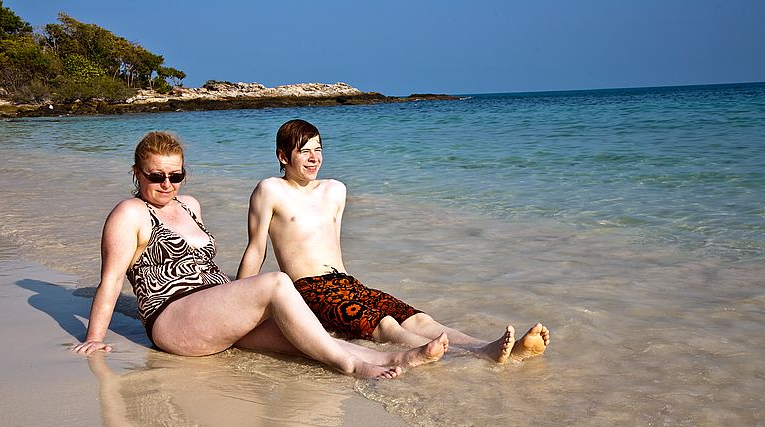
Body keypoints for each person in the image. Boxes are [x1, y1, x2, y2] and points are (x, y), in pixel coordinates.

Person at [72, 130, 449, 379]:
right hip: (173, 320)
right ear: (137, 173)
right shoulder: (130, 213)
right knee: (277, 283)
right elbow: (111, 279)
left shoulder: (189, 205)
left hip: (213, 312)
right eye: (156, 177)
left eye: (176, 175)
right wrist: (94, 337)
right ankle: (351, 367)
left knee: (307, 338)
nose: (167, 184)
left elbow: (206, 267)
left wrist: (237, 298)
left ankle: (398, 359)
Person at [236, 119, 550, 364]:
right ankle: (479, 357)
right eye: (304, 150)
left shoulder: (335, 190)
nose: (314, 157)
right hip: (310, 290)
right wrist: (237, 306)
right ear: (282, 155)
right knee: (386, 327)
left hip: (348, 283)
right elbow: (256, 249)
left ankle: (486, 346)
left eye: (318, 149)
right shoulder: (271, 190)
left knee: (419, 319)